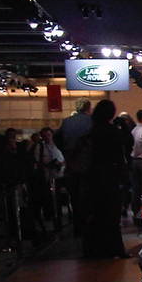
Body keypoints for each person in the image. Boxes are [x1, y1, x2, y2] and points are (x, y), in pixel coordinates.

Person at [81, 99, 129, 259]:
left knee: (97, 214)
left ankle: (95, 249)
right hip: (110, 177)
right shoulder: (112, 131)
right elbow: (123, 149)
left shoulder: (92, 131)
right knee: (112, 215)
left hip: (94, 177)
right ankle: (115, 249)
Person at [54, 98, 92, 235]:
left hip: (71, 165)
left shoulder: (66, 122)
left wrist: (65, 151)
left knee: (75, 199)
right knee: (88, 199)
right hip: (88, 166)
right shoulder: (92, 121)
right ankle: (88, 227)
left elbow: (56, 138)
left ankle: (78, 227)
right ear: (88, 108)